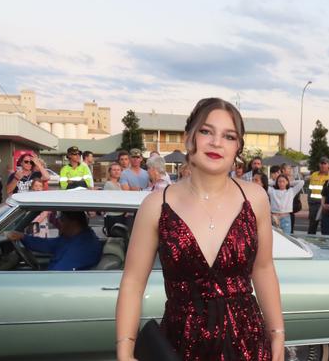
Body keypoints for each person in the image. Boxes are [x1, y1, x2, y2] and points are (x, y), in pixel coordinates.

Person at [115, 98, 283, 360]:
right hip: (182, 345)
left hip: (248, 343)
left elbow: (263, 269)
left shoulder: (256, 198)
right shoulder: (156, 206)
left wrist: (277, 334)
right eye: (206, 131)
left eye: (229, 136)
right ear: (188, 137)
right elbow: (133, 282)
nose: (216, 142)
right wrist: (125, 349)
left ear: (238, 147)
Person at [6, 211, 102, 271]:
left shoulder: (83, 247)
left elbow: (57, 274)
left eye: (61, 219)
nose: (58, 222)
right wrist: (23, 237)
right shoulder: (71, 238)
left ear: (73, 223)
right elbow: (47, 244)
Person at [307, 157, 329, 234]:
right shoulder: (314, 174)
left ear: (328, 165)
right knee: (312, 226)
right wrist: (310, 202)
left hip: (325, 204)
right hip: (314, 204)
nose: (323, 165)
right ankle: (310, 242)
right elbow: (310, 189)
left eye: (325, 163)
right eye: (321, 163)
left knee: (325, 226)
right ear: (319, 164)